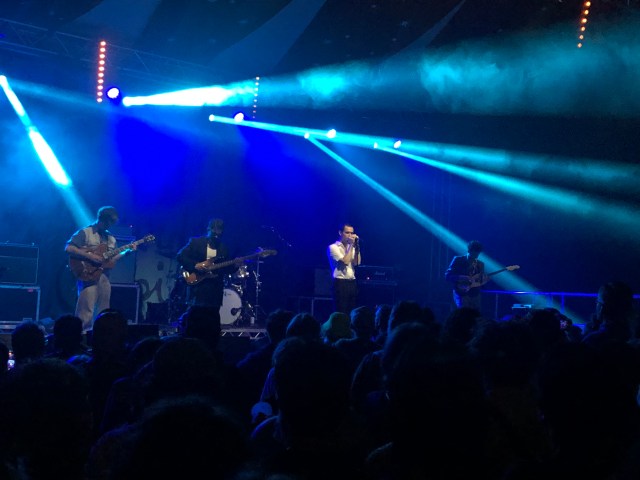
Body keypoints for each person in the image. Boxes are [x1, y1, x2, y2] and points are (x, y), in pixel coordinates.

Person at [66, 206, 133, 331]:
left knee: (103, 310)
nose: (110, 225)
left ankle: (100, 335)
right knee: (86, 310)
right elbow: (69, 248)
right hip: (88, 274)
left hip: (104, 276)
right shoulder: (86, 232)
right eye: (109, 222)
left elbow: (111, 260)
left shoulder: (111, 238)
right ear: (102, 219)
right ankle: (82, 336)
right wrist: (90, 256)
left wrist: (125, 252)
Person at [177, 218, 239, 328]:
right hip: (198, 289)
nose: (216, 232)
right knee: (194, 322)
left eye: (219, 230)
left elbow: (226, 269)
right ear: (208, 229)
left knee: (212, 323)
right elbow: (180, 256)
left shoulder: (223, 248)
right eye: (214, 229)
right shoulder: (196, 242)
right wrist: (195, 265)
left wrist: (235, 266)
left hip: (215, 291)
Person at [327, 223, 361, 315]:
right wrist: (351, 245)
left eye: (352, 233)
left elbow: (357, 263)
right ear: (340, 233)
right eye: (347, 233)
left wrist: (357, 247)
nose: (350, 235)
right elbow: (345, 261)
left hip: (352, 282)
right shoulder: (333, 247)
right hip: (340, 283)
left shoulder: (352, 247)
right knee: (341, 311)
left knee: (352, 312)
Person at [445, 240, 487, 311]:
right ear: (469, 250)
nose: (476, 255)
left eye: (478, 253)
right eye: (474, 252)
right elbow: (447, 276)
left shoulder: (480, 264)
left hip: (475, 295)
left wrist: (482, 280)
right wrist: (463, 277)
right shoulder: (458, 260)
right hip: (461, 293)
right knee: (463, 314)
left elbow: (481, 281)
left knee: (475, 315)